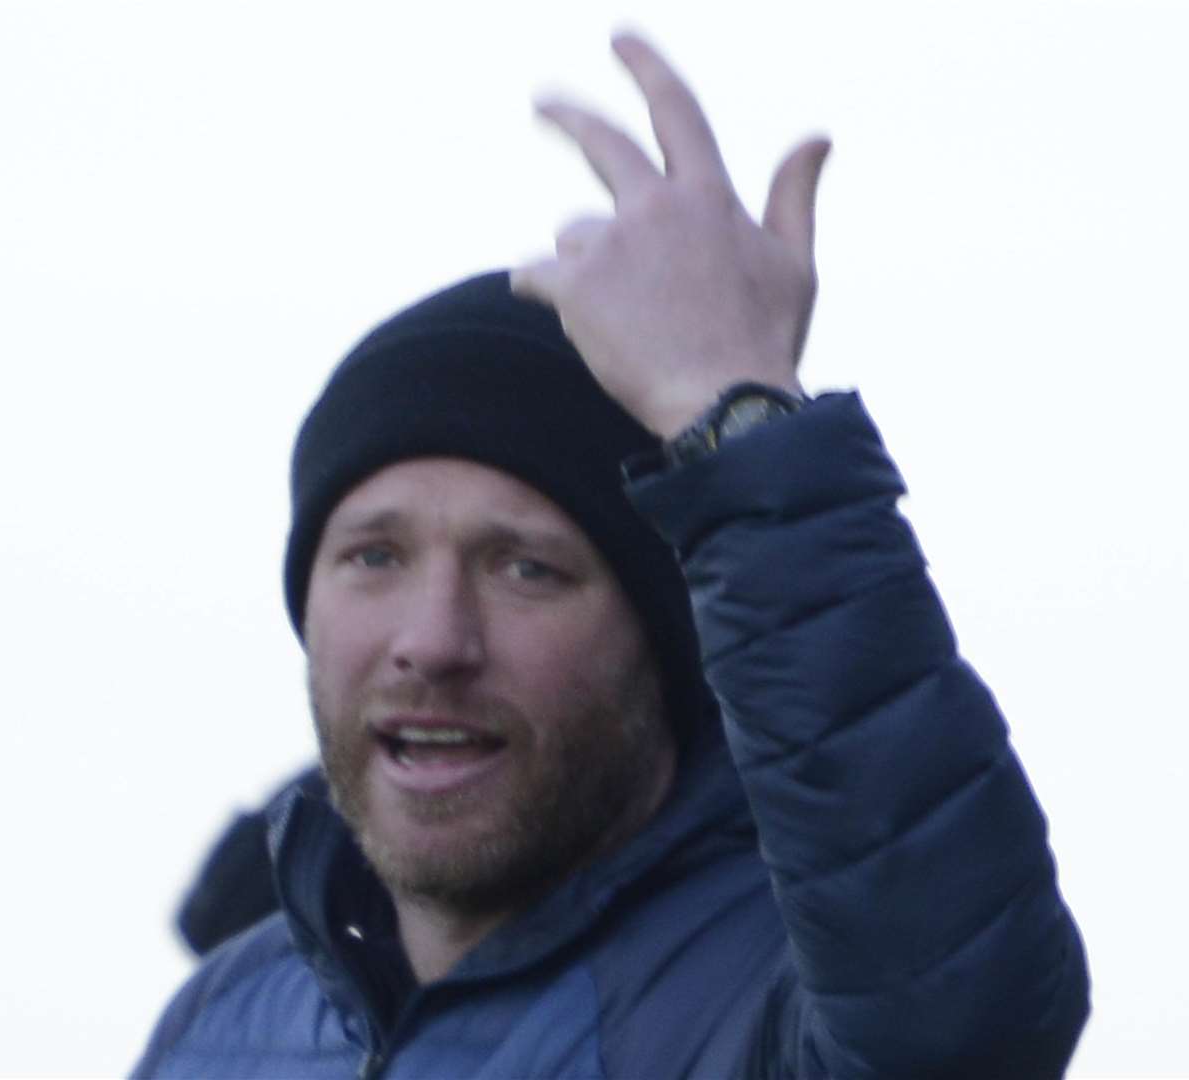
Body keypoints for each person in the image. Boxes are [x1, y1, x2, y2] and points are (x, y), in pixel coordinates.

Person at [133, 33, 1090, 1079]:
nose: (432, 640)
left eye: (524, 567)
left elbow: (951, 1019)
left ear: (668, 636)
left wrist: (735, 420)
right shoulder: (222, 1025)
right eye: (372, 556)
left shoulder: (764, 1011)